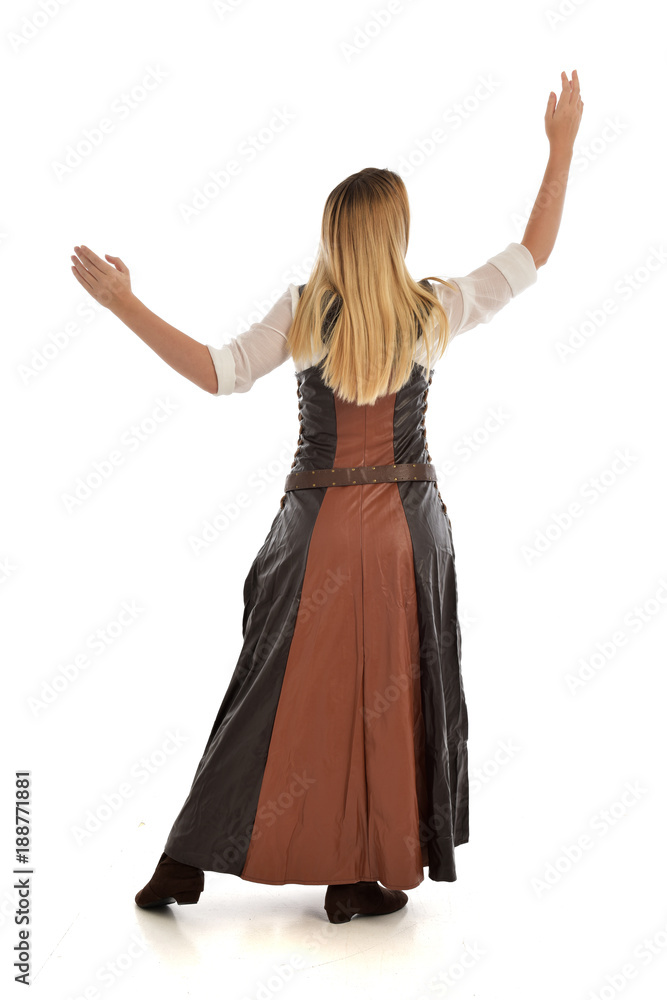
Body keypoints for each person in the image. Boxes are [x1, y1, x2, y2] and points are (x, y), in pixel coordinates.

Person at [70, 70, 583, 924]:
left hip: (312, 533)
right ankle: (357, 871)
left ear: (334, 237)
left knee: (269, 688)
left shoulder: (304, 311)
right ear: (393, 235)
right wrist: (561, 147)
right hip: (402, 537)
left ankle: (184, 862)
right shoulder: (433, 310)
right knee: (389, 691)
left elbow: (216, 372)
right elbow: (533, 253)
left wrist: (126, 304)